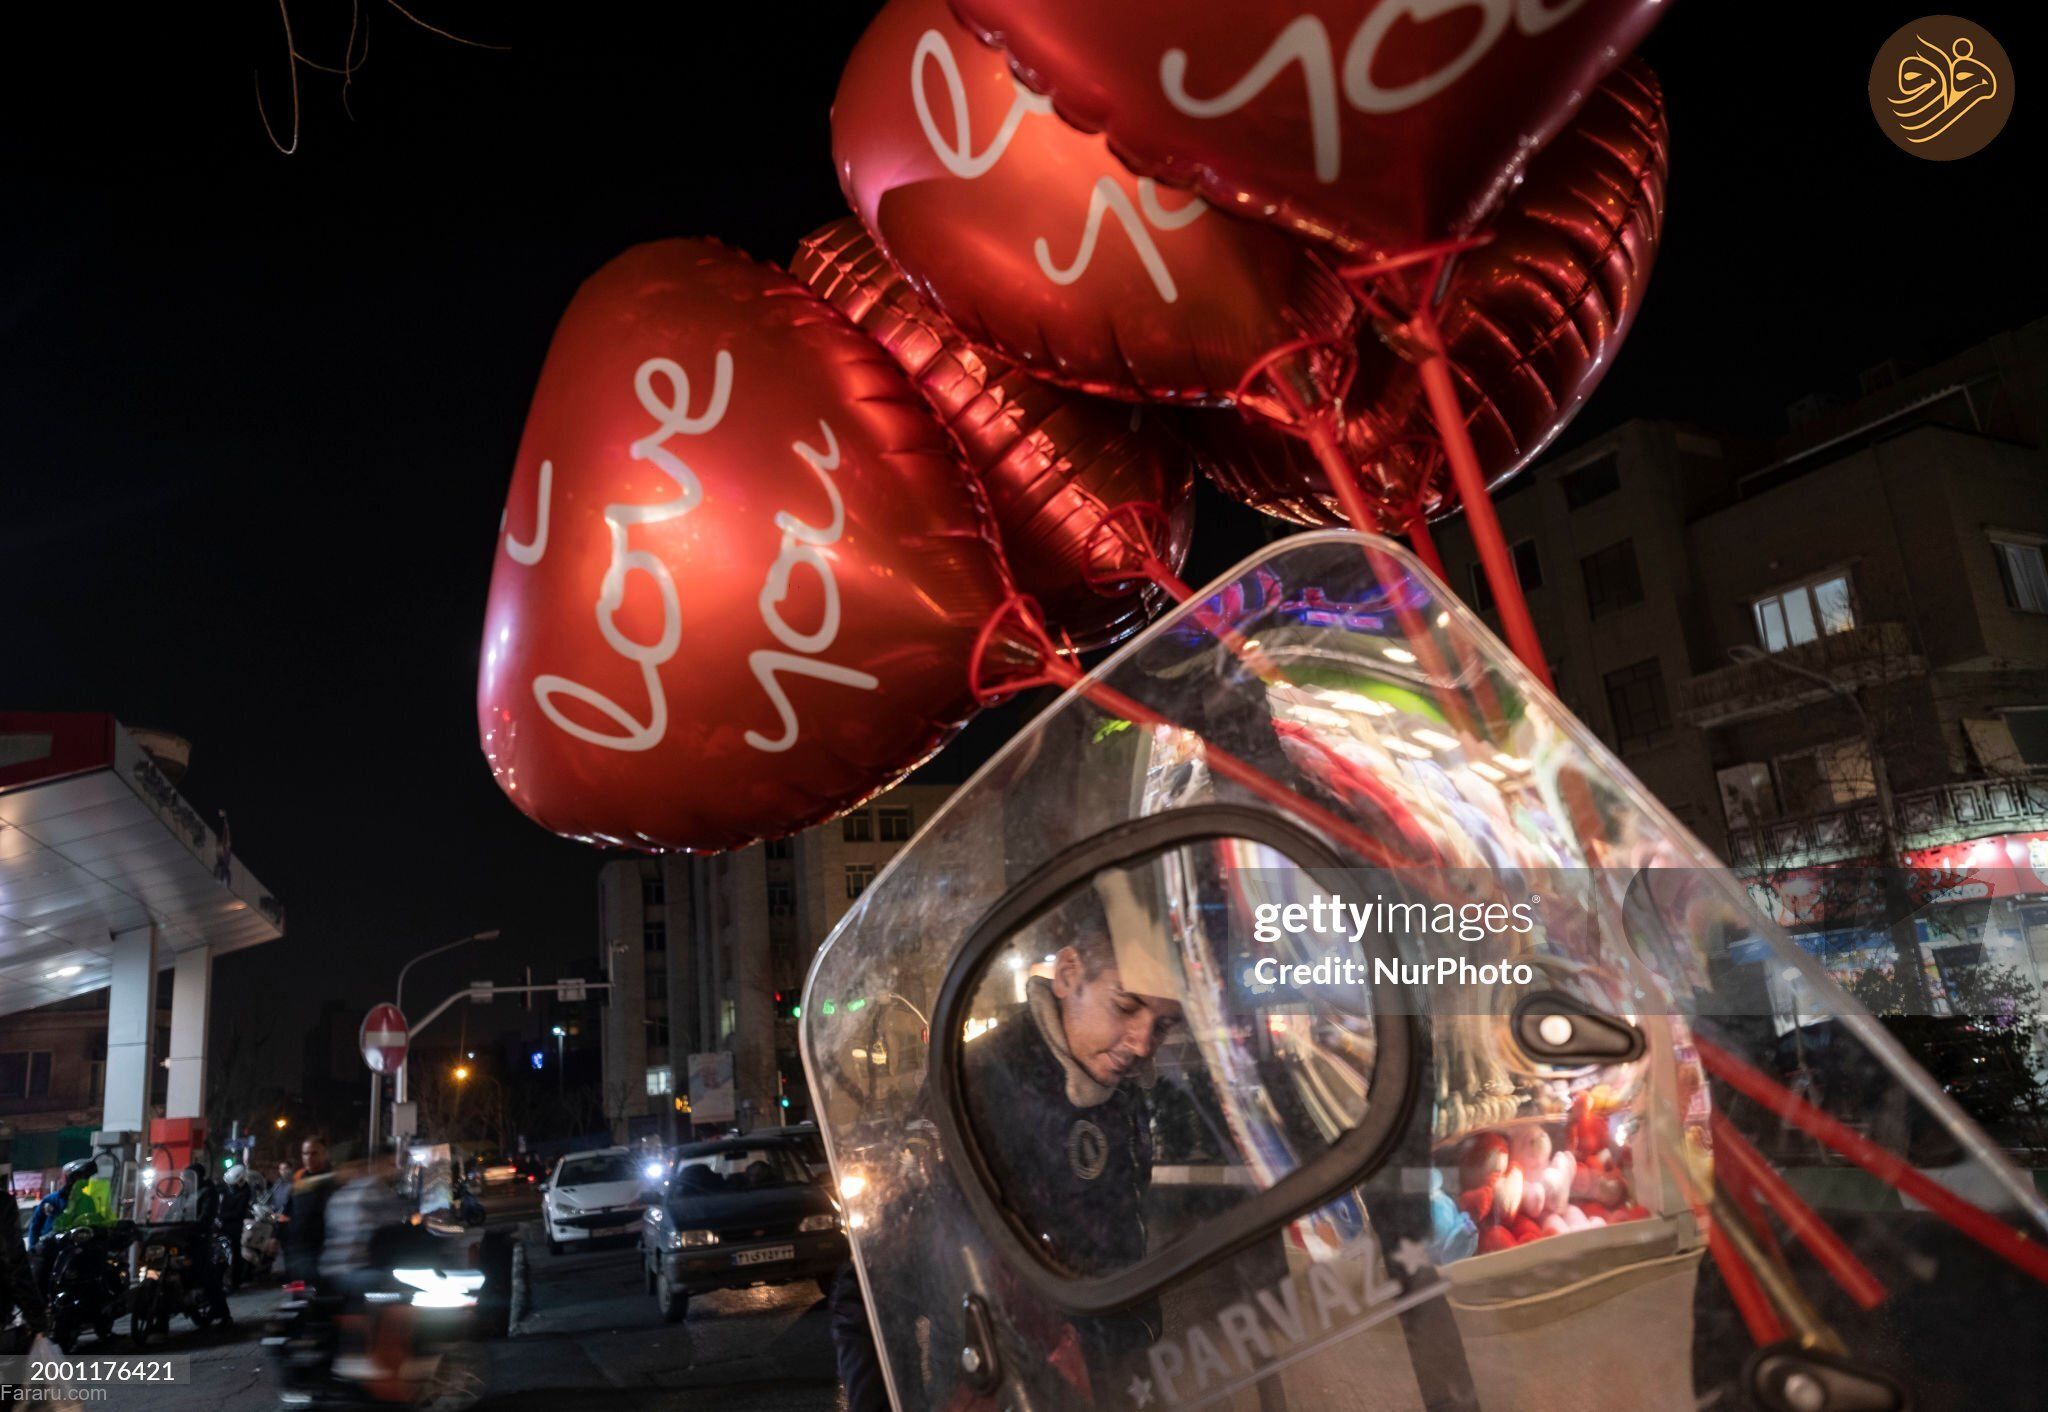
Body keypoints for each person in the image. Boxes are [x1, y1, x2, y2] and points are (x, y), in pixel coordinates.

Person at [279, 1136, 338, 1286]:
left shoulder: (334, 1179)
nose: (308, 1158)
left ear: (325, 1154)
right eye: (305, 1153)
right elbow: (288, 1209)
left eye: (314, 1153)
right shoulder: (299, 1178)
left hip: (324, 1249)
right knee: (300, 1295)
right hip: (299, 1249)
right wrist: (276, 1236)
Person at [219, 1164, 255, 1287]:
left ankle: (236, 1280)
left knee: (235, 1251)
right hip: (222, 1223)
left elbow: (238, 1212)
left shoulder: (244, 1191)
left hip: (234, 1225)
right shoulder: (227, 1188)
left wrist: (222, 1215)